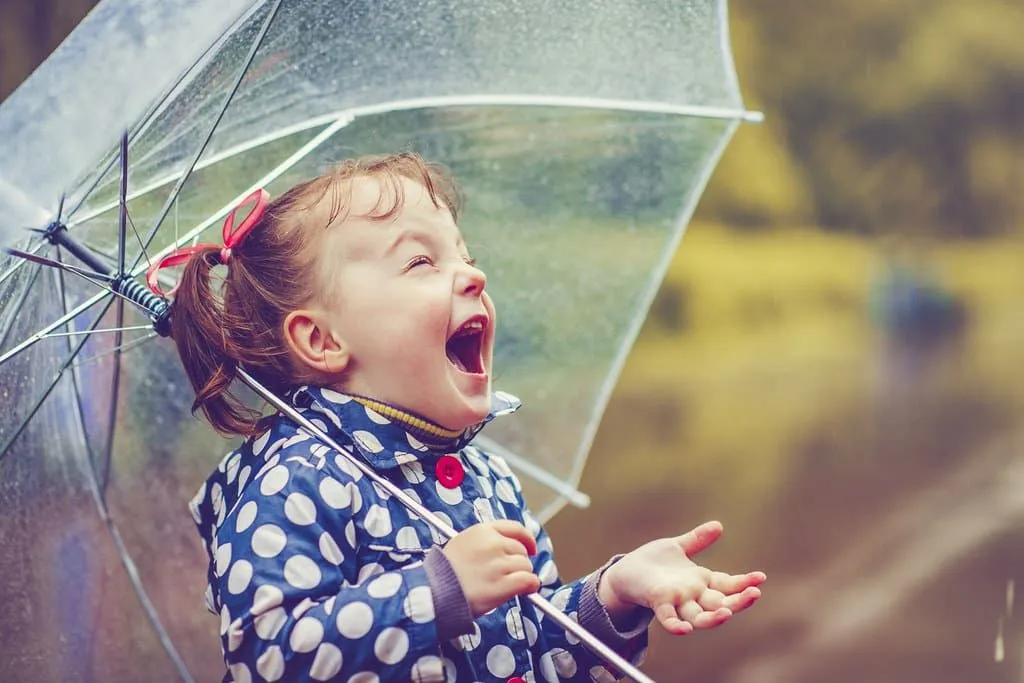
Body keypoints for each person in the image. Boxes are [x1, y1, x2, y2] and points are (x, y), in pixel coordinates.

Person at [162, 153, 766, 683]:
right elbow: (266, 660)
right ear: (321, 339)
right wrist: (437, 590)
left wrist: (613, 594)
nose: (473, 275)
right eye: (421, 262)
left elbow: (539, 651)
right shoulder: (295, 481)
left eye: (465, 256)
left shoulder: (487, 480)